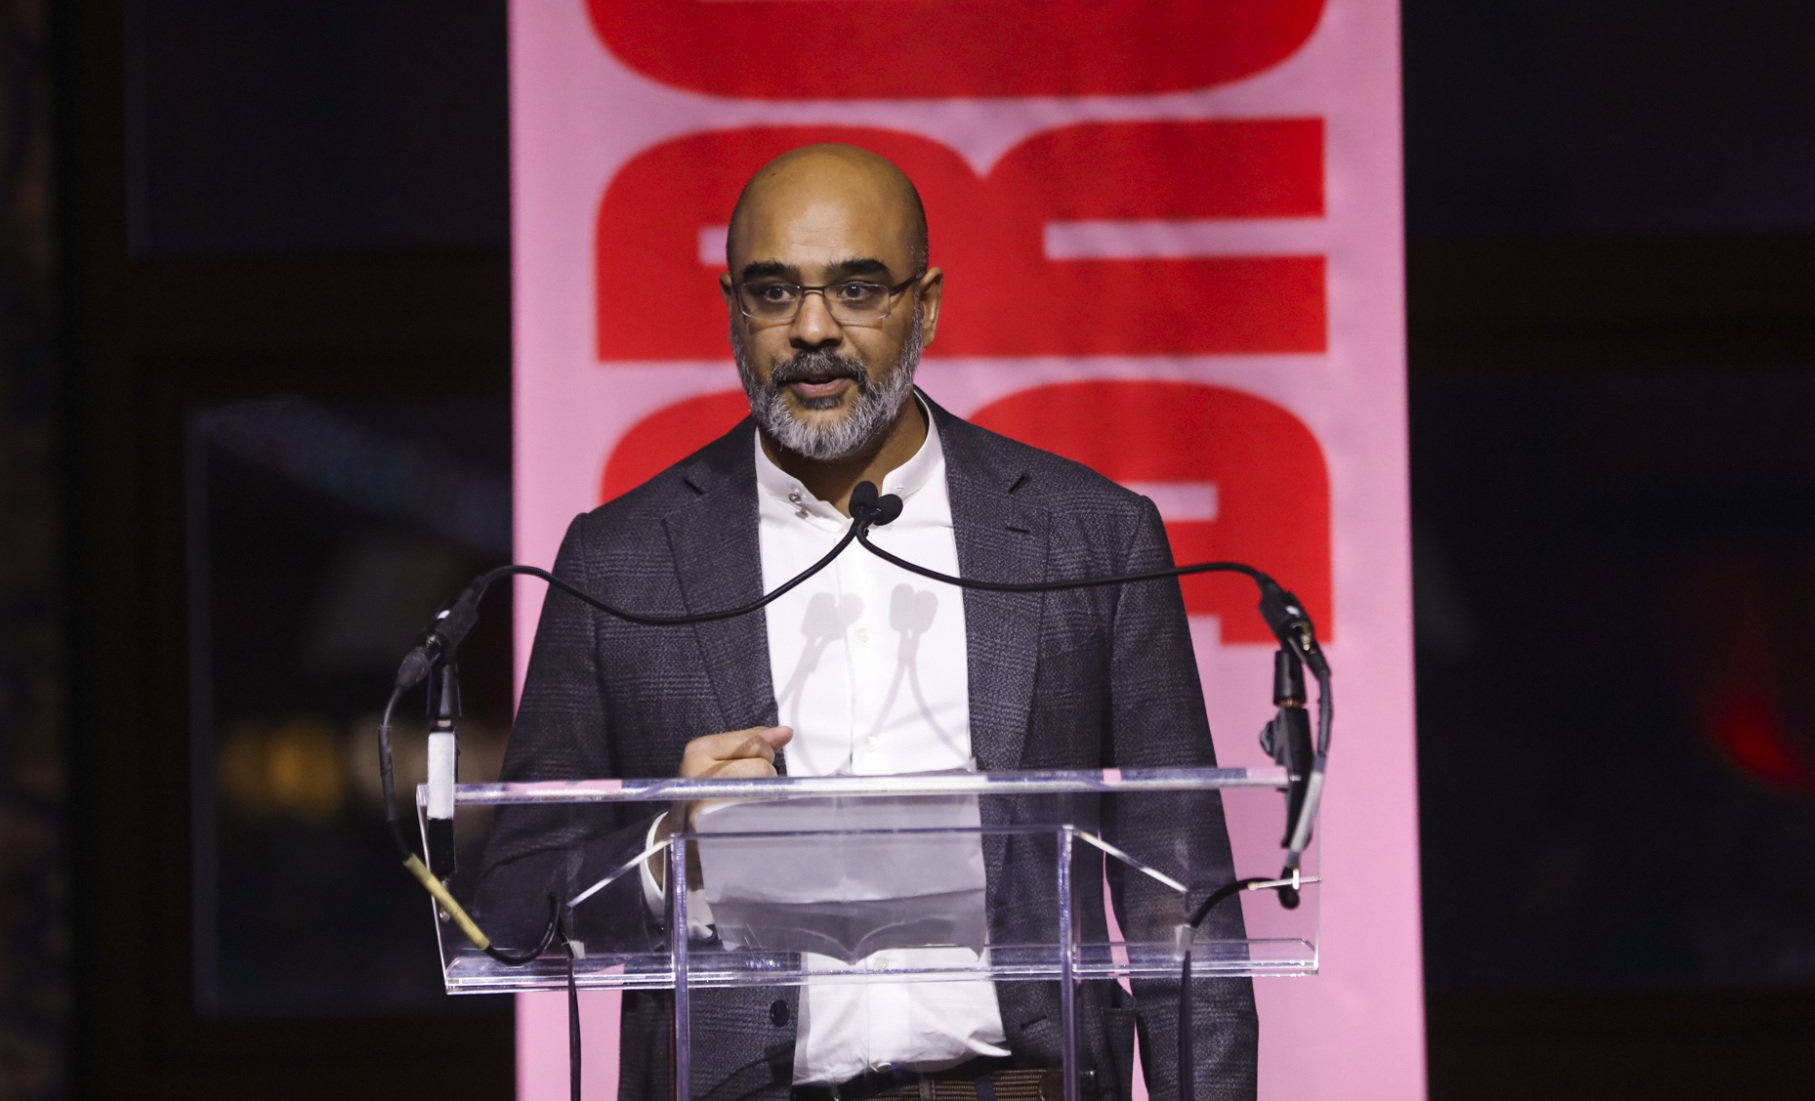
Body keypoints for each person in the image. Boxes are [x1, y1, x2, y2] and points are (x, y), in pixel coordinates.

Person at [480, 144, 1256, 1101]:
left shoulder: (1088, 536)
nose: (813, 329)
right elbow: (513, 915)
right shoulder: (623, 560)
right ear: (733, 307)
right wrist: (663, 843)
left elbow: (1186, 904)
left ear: (924, 305)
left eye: (856, 290)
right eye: (773, 293)